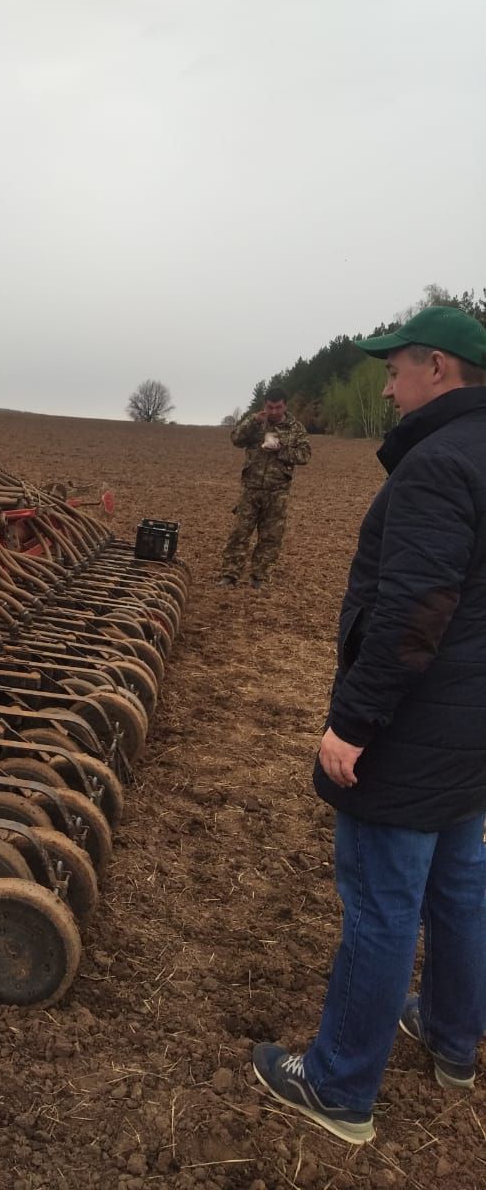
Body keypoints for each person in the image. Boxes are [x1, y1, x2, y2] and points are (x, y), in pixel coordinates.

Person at [253, 306, 486, 1144]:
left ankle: (338, 1086)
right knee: (459, 889)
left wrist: (353, 724)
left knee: (382, 905)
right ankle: (453, 1039)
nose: (385, 387)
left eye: (394, 371)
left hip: (414, 730)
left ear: (438, 369)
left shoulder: (436, 465)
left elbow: (409, 614)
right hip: (472, 728)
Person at [219, 387, 310, 587]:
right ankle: (229, 575)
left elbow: (305, 455)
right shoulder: (256, 423)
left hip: (278, 491)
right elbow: (235, 439)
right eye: (270, 407)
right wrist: (253, 422)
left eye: (278, 407)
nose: (274, 411)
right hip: (250, 488)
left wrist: (282, 450)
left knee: (270, 538)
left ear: (285, 405)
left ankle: (259, 577)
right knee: (239, 533)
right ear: (265, 405)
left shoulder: (295, 428)